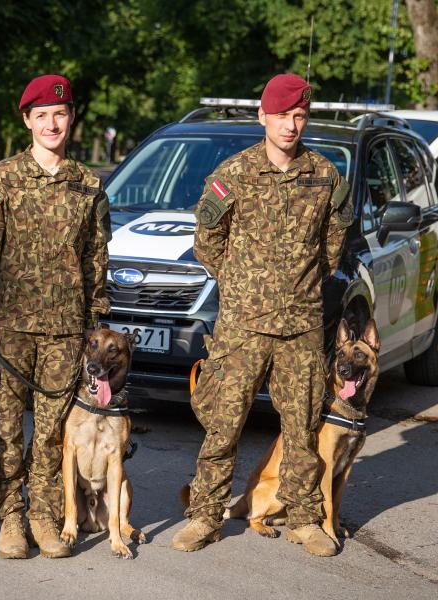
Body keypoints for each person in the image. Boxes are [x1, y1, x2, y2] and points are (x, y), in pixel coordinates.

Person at [171, 74, 353, 557]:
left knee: (303, 425)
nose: (290, 125)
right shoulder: (233, 174)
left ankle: (304, 518)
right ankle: (205, 515)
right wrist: (241, 285)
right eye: (281, 116)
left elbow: (332, 247)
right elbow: (207, 241)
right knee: (223, 423)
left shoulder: (325, 176)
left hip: (301, 325)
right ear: (263, 117)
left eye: (299, 116)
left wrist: (298, 286)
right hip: (243, 324)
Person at [0, 74, 111, 560]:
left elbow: (96, 260)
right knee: (5, 427)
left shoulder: (88, 184)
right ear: (26, 120)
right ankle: (9, 515)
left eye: (60, 114)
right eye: (41, 115)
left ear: (72, 118)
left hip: (65, 331)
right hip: (8, 327)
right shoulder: (2, 178)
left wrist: (94, 325)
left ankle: (43, 514)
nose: (52, 124)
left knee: (50, 430)